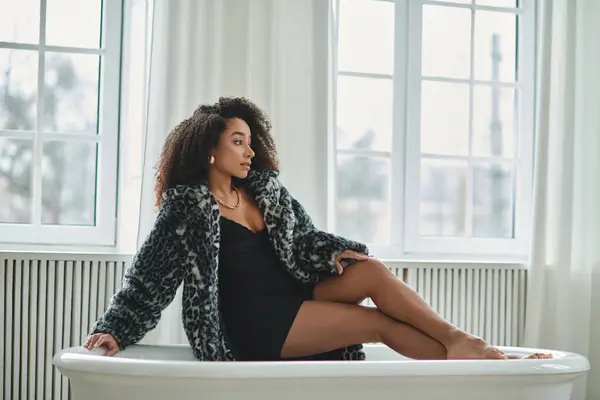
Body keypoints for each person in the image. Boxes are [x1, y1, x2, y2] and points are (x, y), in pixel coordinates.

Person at [84, 96, 509, 362]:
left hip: (294, 291)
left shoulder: (265, 192)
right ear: (209, 148)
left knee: (372, 272)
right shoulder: (187, 208)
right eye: (237, 141)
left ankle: (459, 342)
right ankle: (469, 362)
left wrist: (331, 252)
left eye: (251, 140)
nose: (250, 150)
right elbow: (148, 279)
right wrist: (115, 329)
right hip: (257, 320)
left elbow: (304, 241)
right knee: (376, 323)